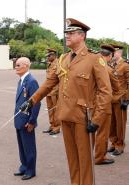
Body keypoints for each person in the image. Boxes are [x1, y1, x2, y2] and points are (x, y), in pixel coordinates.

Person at [20, 18, 112, 185]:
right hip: (65, 115)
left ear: (82, 36)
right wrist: (32, 101)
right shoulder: (63, 59)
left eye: (71, 33)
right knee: (72, 159)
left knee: (85, 162)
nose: (67, 36)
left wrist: (97, 119)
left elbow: (106, 91)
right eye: (67, 33)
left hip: (84, 118)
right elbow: (49, 83)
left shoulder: (94, 58)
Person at [14, 57, 41, 180]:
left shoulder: (31, 81)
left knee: (29, 147)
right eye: (16, 64)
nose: (16, 66)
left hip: (27, 121)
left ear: (25, 66)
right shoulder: (21, 80)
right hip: (19, 120)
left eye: (18, 65)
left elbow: (36, 103)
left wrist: (32, 121)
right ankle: (24, 166)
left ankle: (31, 170)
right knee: (22, 146)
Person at [94, 44, 119, 165]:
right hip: (104, 105)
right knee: (102, 133)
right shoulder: (107, 69)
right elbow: (117, 87)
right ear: (110, 56)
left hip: (92, 104)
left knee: (90, 132)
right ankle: (100, 157)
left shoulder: (91, 64)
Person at [108, 44, 129, 155]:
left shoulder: (125, 65)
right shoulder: (110, 64)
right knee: (111, 124)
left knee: (120, 124)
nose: (111, 54)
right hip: (110, 99)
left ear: (119, 53)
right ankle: (113, 142)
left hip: (120, 99)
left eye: (113, 52)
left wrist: (127, 99)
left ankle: (120, 145)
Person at [43, 48, 61, 135]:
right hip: (49, 91)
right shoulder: (50, 64)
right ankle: (52, 125)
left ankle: (57, 127)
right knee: (50, 110)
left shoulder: (58, 63)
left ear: (54, 55)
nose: (47, 58)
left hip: (55, 91)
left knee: (56, 110)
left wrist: (57, 90)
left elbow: (59, 78)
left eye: (49, 56)